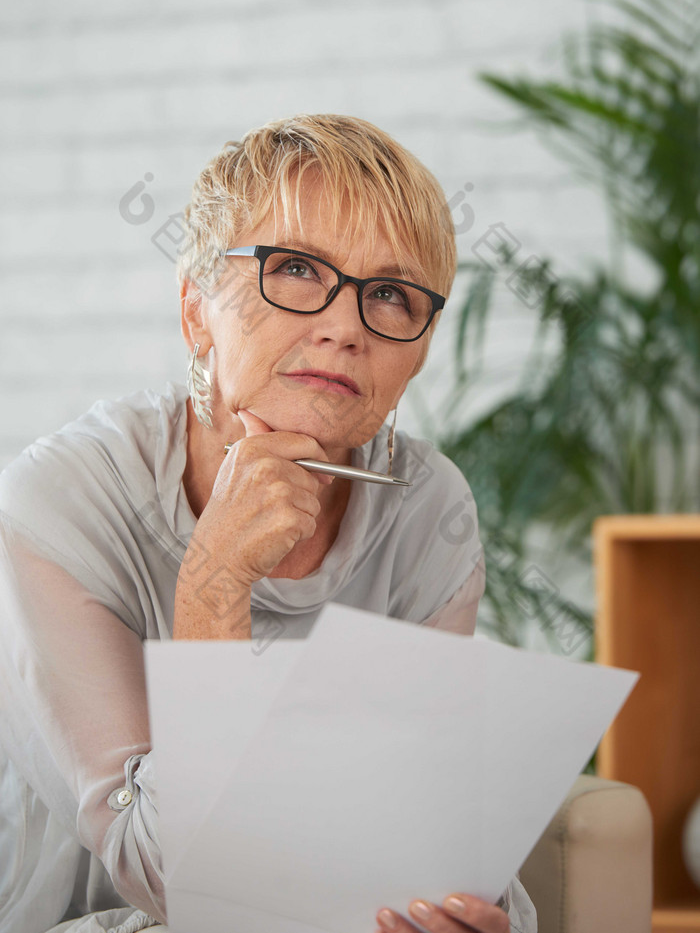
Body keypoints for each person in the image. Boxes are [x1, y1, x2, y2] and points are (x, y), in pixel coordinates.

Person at [0, 115, 537, 933]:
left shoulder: (431, 510)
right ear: (196, 314)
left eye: (390, 293)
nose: (346, 325)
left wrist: (458, 909)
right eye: (294, 269)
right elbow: (170, 879)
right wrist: (215, 583)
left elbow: (406, 830)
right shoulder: (59, 498)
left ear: (417, 353)